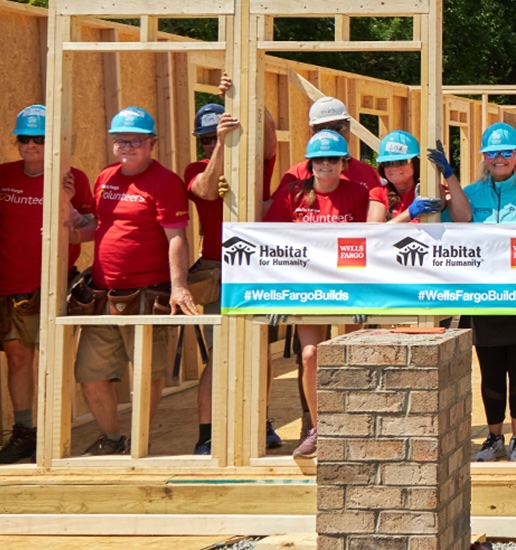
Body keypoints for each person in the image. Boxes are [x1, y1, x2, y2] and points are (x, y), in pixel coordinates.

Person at [73, 106, 201, 455]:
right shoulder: (106, 177)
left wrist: (179, 286)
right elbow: (98, 227)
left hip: (146, 293)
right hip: (102, 292)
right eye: (120, 141)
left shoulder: (165, 182)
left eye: (135, 141)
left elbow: (176, 236)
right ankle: (112, 439)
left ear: (151, 143)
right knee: (90, 373)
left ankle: (138, 441)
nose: (127, 147)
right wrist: (68, 218)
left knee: (148, 373)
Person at [263, 130, 374, 457]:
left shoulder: (357, 193)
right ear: (310, 163)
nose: (326, 164)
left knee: (351, 354)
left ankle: (353, 426)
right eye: (320, 158)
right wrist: (277, 293)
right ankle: (318, 428)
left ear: (344, 163)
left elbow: (369, 243)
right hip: (305, 289)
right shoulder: (293, 194)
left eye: (333, 158)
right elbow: (271, 242)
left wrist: (362, 293)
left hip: (348, 287)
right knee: (310, 356)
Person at [437, 122, 516, 462]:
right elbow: (453, 228)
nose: (500, 158)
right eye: (493, 152)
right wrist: (443, 183)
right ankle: (494, 437)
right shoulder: (471, 193)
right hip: (483, 297)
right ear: (484, 156)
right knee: (491, 372)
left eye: (506, 152)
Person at [184, 102, 284, 454]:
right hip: (219, 270)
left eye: (217, 137)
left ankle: (260, 420)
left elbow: (269, 136)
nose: (212, 143)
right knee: (219, 354)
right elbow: (208, 191)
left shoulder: (254, 164)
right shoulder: (196, 169)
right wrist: (223, 145)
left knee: (258, 350)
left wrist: (243, 97)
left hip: (256, 267)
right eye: (206, 139)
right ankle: (207, 434)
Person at [0, 105, 93, 464]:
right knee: (17, 358)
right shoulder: (4, 176)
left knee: (52, 359)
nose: (31, 145)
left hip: (52, 283)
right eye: (25, 138)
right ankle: (25, 433)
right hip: (10, 285)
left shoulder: (72, 178)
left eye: (39, 139)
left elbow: (92, 228)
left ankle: (54, 432)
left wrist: (67, 208)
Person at [277, 97, 382, 194]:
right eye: (324, 129)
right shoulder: (296, 175)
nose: (333, 135)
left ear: (349, 128)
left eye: (340, 127)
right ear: (313, 132)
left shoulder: (366, 172)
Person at [367, 130, 443, 223]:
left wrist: (448, 174)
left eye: (401, 162)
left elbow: (459, 215)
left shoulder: (429, 190)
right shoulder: (378, 194)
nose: (394, 168)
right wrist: (409, 213)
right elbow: (374, 230)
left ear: (414, 163)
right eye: (388, 163)